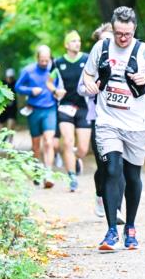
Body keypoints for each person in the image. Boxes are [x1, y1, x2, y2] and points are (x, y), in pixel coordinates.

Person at [81, 6, 145, 252]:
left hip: (136, 126)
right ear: (113, 28)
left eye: (127, 34)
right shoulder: (102, 48)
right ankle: (111, 231)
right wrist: (91, 86)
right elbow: (88, 76)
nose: (122, 38)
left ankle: (130, 228)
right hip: (108, 122)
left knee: (132, 177)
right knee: (111, 169)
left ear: (134, 29)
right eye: (119, 33)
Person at [78, 23, 124, 224]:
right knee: (105, 167)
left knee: (119, 166)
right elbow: (80, 88)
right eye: (102, 40)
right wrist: (91, 88)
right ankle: (100, 195)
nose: (106, 43)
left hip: (123, 120)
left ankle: (117, 208)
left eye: (109, 39)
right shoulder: (92, 62)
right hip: (98, 119)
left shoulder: (125, 59)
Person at [15, 45, 62, 188]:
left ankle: (48, 174)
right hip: (34, 110)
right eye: (42, 60)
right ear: (37, 58)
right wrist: (30, 90)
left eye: (47, 60)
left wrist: (59, 92)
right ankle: (37, 171)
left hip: (50, 109)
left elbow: (59, 87)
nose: (44, 63)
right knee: (36, 145)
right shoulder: (28, 70)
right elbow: (17, 87)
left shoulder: (53, 70)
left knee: (48, 141)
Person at [52, 30, 91, 192]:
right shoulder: (58, 62)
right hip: (65, 106)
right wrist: (55, 90)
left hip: (84, 107)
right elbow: (48, 81)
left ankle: (75, 160)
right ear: (67, 45)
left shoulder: (87, 59)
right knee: (67, 142)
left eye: (79, 41)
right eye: (74, 41)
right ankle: (72, 178)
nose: (78, 43)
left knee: (82, 149)